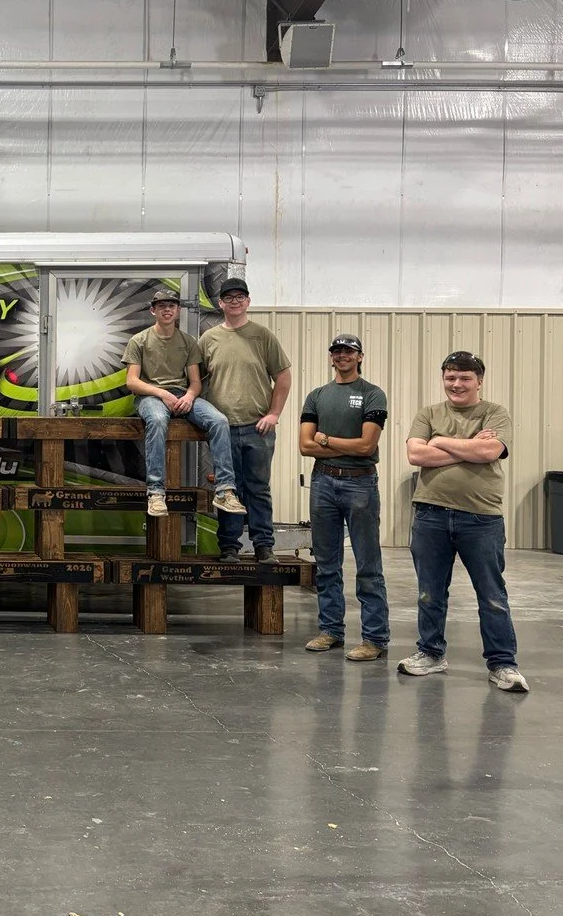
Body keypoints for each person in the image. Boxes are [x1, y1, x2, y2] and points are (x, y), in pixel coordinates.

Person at [401, 351, 528, 692]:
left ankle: (503, 664)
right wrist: (469, 445)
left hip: (481, 518)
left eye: (465, 378)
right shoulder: (428, 413)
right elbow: (416, 454)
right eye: (450, 377)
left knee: (491, 594)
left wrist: (439, 441)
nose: (456, 384)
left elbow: (490, 452)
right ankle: (430, 653)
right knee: (430, 592)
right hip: (431, 514)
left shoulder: (495, 413)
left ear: (479, 381)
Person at [298, 334, 389, 661]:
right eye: (337, 351)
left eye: (348, 351)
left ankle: (375, 638)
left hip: (360, 484)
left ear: (359, 356)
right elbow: (305, 446)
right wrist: (331, 444)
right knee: (326, 563)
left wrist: (324, 439)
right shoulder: (316, 396)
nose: (342, 356)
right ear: (331, 357)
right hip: (323, 482)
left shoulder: (372, 394)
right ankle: (330, 631)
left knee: (368, 564)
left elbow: (367, 446)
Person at [122, 287, 247, 519]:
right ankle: (156, 492)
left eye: (171, 306)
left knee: (219, 421)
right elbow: (132, 382)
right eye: (161, 306)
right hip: (150, 397)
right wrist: (162, 394)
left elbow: (196, 382)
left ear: (178, 310)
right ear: (153, 311)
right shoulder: (139, 341)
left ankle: (225, 490)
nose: (167, 310)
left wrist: (189, 397)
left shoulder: (189, 342)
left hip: (182, 395)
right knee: (158, 420)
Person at [197, 277, 292, 563]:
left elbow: (283, 377)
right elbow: (196, 380)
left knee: (258, 488)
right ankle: (229, 547)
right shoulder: (208, 339)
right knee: (228, 488)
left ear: (248, 302)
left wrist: (274, 414)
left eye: (241, 296)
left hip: (257, 428)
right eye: (230, 297)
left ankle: (263, 545)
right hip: (221, 430)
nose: (235, 301)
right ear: (221, 303)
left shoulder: (263, 336)